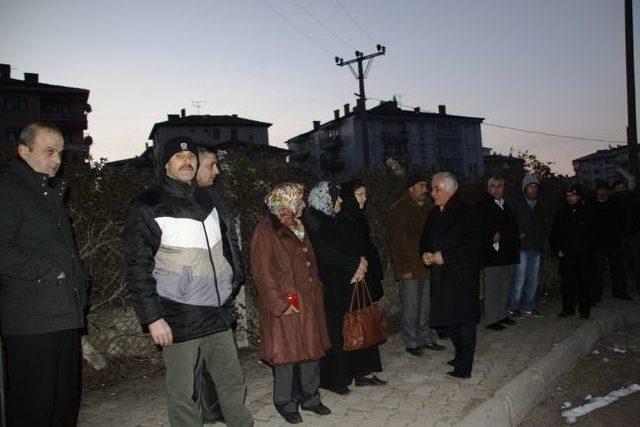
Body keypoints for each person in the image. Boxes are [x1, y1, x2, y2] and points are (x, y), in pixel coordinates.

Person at [124, 137, 253, 427]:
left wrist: (231, 282)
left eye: (191, 156)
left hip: (218, 311)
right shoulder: (147, 204)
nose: (187, 161)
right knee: (184, 392)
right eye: (179, 157)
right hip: (178, 314)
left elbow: (227, 248)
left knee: (232, 381)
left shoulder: (208, 199)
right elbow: (136, 266)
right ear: (166, 163)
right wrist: (153, 318)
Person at [0, 122, 89, 427]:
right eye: (49, 151)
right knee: (34, 409)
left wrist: (78, 278)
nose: (57, 160)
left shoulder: (47, 194)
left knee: (64, 405)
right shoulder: (9, 191)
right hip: (32, 322)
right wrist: (54, 271)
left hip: (63, 313)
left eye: (61, 153)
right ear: (24, 151)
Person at [250, 182, 332, 424]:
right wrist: (280, 304)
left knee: (310, 350)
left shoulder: (297, 225)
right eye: (300, 200)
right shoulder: (266, 230)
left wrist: (318, 289)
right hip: (286, 300)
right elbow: (262, 273)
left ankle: (310, 397)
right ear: (287, 202)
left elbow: (310, 263)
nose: (304, 204)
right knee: (285, 354)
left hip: (308, 300)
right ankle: (285, 402)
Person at [303, 181, 383, 396]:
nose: (340, 200)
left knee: (350, 328)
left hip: (347, 282)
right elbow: (324, 253)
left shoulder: (333, 219)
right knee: (335, 332)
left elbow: (350, 246)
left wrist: (361, 263)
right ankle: (334, 378)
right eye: (335, 197)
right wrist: (353, 266)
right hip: (331, 287)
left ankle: (353, 372)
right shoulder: (314, 222)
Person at [420, 172, 482, 379]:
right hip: (442, 277)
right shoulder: (434, 213)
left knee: (464, 321)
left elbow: (473, 245)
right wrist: (426, 254)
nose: (432, 192)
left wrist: (445, 256)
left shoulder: (468, 212)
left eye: (436, 188)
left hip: (461, 276)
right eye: (432, 188)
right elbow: (425, 239)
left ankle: (464, 367)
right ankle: (460, 355)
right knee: (449, 319)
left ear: (450, 189)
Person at [387, 173, 445, 357]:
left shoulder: (427, 207)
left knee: (425, 305)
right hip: (410, 266)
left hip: (426, 264)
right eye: (421, 185)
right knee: (411, 306)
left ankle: (426, 337)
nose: (425, 189)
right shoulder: (399, 209)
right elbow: (396, 244)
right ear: (410, 187)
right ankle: (412, 341)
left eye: (426, 186)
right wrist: (403, 269)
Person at [477, 177, 520, 331]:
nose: (496, 189)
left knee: (504, 287)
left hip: (507, 253)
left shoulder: (506, 205)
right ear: (488, 188)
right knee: (493, 289)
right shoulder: (483, 206)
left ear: (504, 188)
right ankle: (491, 320)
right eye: (493, 186)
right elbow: (478, 229)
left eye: (499, 186)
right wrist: (491, 236)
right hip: (492, 255)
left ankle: (501, 315)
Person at [550, 184, 597, 319]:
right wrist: (557, 249)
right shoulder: (561, 212)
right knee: (567, 284)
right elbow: (555, 233)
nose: (570, 198)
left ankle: (584, 311)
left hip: (584, 255)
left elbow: (594, 233)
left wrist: (588, 248)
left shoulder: (588, 211)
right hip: (567, 255)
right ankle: (568, 309)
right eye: (568, 196)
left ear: (579, 196)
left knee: (584, 283)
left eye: (573, 195)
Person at [509, 174, 546, 318]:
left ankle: (529, 306)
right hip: (521, 247)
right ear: (524, 189)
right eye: (530, 187)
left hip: (535, 247)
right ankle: (513, 307)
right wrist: (519, 235)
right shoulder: (516, 203)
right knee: (519, 279)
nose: (533, 189)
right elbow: (511, 223)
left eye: (535, 187)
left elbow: (543, 224)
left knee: (533, 279)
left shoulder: (540, 204)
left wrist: (541, 239)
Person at [591, 180, 630, 302]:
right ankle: (597, 295)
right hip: (598, 244)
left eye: (604, 189)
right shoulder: (591, 204)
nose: (602, 192)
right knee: (598, 271)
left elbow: (623, 220)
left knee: (618, 269)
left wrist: (622, 235)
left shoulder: (615, 202)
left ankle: (620, 292)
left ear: (607, 190)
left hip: (615, 242)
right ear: (596, 191)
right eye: (599, 189)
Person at [612, 179, 640, 297]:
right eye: (617, 188)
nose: (619, 190)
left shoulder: (633, 199)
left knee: (636, 263)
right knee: (622, 264)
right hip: (619, 238)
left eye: (621, 188)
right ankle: (625, 289)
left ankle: (637, 287)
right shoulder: (613, 202)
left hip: (633, 235)